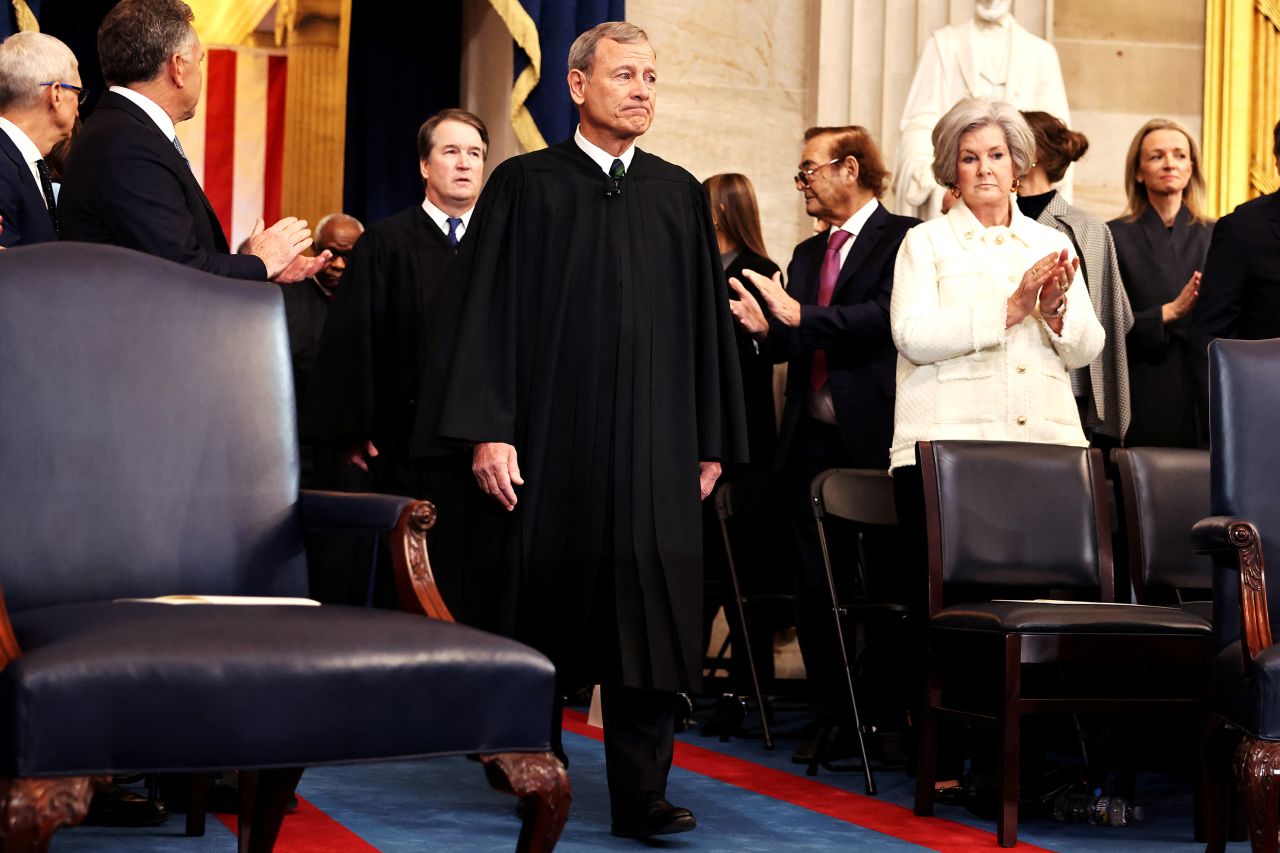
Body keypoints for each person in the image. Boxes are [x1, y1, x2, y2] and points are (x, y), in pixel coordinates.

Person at [434, 22, 746, 839]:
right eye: (624, 75)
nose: (642, 89)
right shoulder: (525, 185)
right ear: (576, 86)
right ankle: (537, 771)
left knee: (650, 620)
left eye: (651, 76)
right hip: (549, 442)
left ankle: (642, 794)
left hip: (655, 446)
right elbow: (487, 317)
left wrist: (709, 440)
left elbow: (705, 329)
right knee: (543, 604)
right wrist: (488, 430)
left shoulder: (679, 192)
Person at [728, 125, 917, 757]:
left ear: (850, 168)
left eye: (809, 170)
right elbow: (797, 340)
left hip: (875, 442)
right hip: (808, 440)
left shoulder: (905, 238)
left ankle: (885, 719)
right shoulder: (808, 256)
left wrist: (799, 317)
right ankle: (832, 715)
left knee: (883, 583)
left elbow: (888, 321)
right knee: (814, 586)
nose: (802, 182)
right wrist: (766, 331)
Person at [311, 108, 500, 622]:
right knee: (411, 597)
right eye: (451, 151)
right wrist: (354, 428)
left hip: (489, 458)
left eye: (475, 153)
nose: (465, 164)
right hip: (408, 450)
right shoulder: (387, 242)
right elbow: (354, 340)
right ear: (424, 165)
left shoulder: (503, 245)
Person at [58, 0, 324, 282]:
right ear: (178, 67)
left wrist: (251, 264)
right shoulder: (127, 143)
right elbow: (180, 270)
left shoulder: (124, 131)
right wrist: (261, 263)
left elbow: (171, 252)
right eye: (199, 60)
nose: (200, 71)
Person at [893, 0, 1070, 221]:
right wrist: (932, 183)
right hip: (956, 188)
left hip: (1022, 199)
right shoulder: (943, 45)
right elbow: (919, 122)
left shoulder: (1040, 53)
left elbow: (1055, 136)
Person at [1018, 111, 1133, 445]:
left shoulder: (1088, 229)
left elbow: (1113, 318)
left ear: (1031, 154)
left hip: (1067, 388)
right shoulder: (988, 218)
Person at [1107, 118, 1212, 448]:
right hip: (1144, 386)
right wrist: (1165, 313)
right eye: (1157, 156)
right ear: (1138, 171)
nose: (1170, 163)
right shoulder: (1113, 236)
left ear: (1191, 168)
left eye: (1180, 155)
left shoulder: (1218, 233)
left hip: (1203, 386)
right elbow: (1103, 326)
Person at [1191, 119, 1280, 424]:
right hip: (1266, 414)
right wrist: (1227, 422)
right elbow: (1210, 336)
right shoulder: (1243, 228)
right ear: (1279, 163)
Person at [281, 212, 363, 490]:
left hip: (348, 447)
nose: (339, 265)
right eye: (331, 254)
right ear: (316, 250)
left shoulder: (371, 301)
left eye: (349, 255)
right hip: (292, 441)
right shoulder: (284, 297)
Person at [704, 172, 780, 468]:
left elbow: (770, 349)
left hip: (742, 409)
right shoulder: (695, 264)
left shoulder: (760, 272)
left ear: (719, 211)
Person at [0, 32, 80, 247]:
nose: (79, 110)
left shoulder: (21, 160)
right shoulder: (3, 167)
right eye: (78, 93)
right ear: (56, 94)